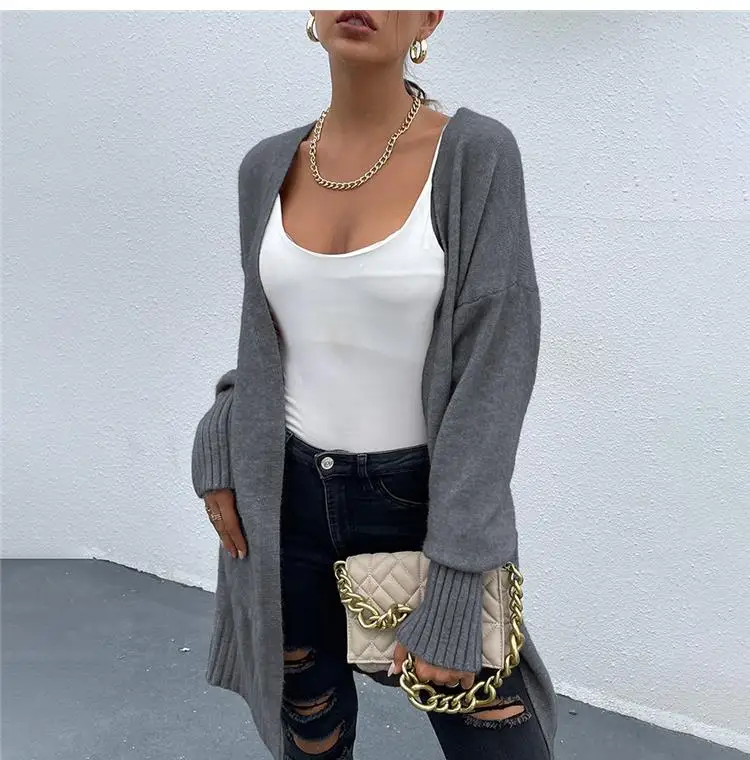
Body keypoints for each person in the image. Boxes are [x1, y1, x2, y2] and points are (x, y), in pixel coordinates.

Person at [191, 10, 558, 760]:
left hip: (423, 504)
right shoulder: (265, 166)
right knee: (312, 740)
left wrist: (458, 574)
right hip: (283, 500)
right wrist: (222, 429)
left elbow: (496, 369)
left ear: (429, 18)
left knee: (500, 744)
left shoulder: (475, 155)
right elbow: (273, 340)